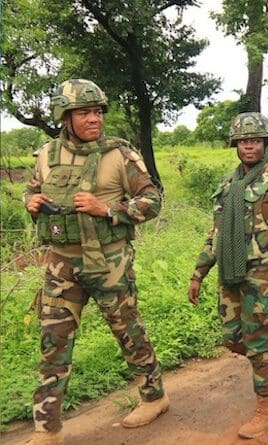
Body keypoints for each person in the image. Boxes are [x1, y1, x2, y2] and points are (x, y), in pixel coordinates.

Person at [23, 79, 168, 445]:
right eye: (84, 112)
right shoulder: (46, 154)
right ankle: (48, 428)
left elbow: (152, 201)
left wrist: (108, 209)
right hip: (61, 264)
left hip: (109, 261)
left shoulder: (119, 155)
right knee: (53, 341)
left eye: (98, 111)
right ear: (65, 117)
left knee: (128, 332)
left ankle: (155, 396)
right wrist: (32, 202)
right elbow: (32, 188)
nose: (94, 119)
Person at [187, 112, 268, 439]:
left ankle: (265, 409)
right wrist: (198, 274)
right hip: (230, 274)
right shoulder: (227, 186)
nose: (249, 146)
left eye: (255, 140)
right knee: (233, 339)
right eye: (243, 141)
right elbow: (214, 236)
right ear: (235, 145)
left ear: (265, 143)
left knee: (255, 342)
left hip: (264, 277)